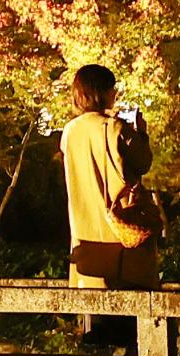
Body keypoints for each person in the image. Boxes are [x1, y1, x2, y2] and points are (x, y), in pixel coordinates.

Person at [60, 64, 159, 315]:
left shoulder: (70, 132)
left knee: (97, 324)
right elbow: (143, 162)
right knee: (133, 322)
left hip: (86, 238)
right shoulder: (114, 128)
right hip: (122, 237)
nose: (115, 94)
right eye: (112, 88)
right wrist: (141, 135)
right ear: (101, 91)